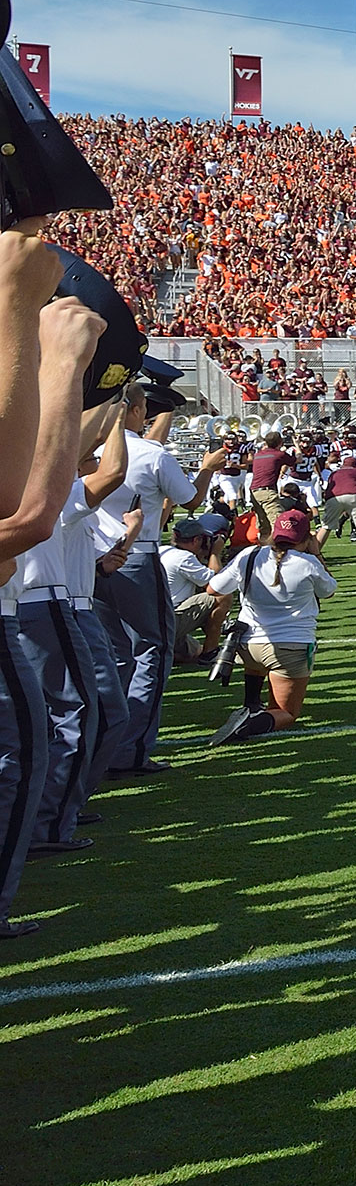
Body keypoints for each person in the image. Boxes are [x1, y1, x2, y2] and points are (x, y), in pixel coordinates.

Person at [0, 278, 111, 940]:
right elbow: (34, 517)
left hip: (31, 602)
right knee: (25, 749)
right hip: (28, 606)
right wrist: (64, 369)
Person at [97, 391, 223, 775]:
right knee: (152, 650)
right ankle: (132, 751)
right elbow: (189, 500)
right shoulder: (153, 455)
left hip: (95, 558)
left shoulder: (91, 451)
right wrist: (208, 467)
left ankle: (105, 746)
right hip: (137, 554)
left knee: (115, 652)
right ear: (136, 411)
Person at [205, 508, 336, 745]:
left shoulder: (249, 554)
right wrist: (317, 555)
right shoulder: (308, 563)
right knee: (287, 714)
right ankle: (247, 725)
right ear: (306, 539)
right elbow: (329, 591)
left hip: (248, 644)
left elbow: (213, 588)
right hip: (290, 647)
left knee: (258, 669)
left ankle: (250, 706)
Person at [158, 517, 229, 665]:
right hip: (170, 620)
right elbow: (217, 585)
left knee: (193, 653)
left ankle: (170, 652)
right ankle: (210, 652)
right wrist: (215, 553)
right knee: (223, 595)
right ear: (196, 540)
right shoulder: (184, 558)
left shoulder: (162, 550)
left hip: (155, 621)